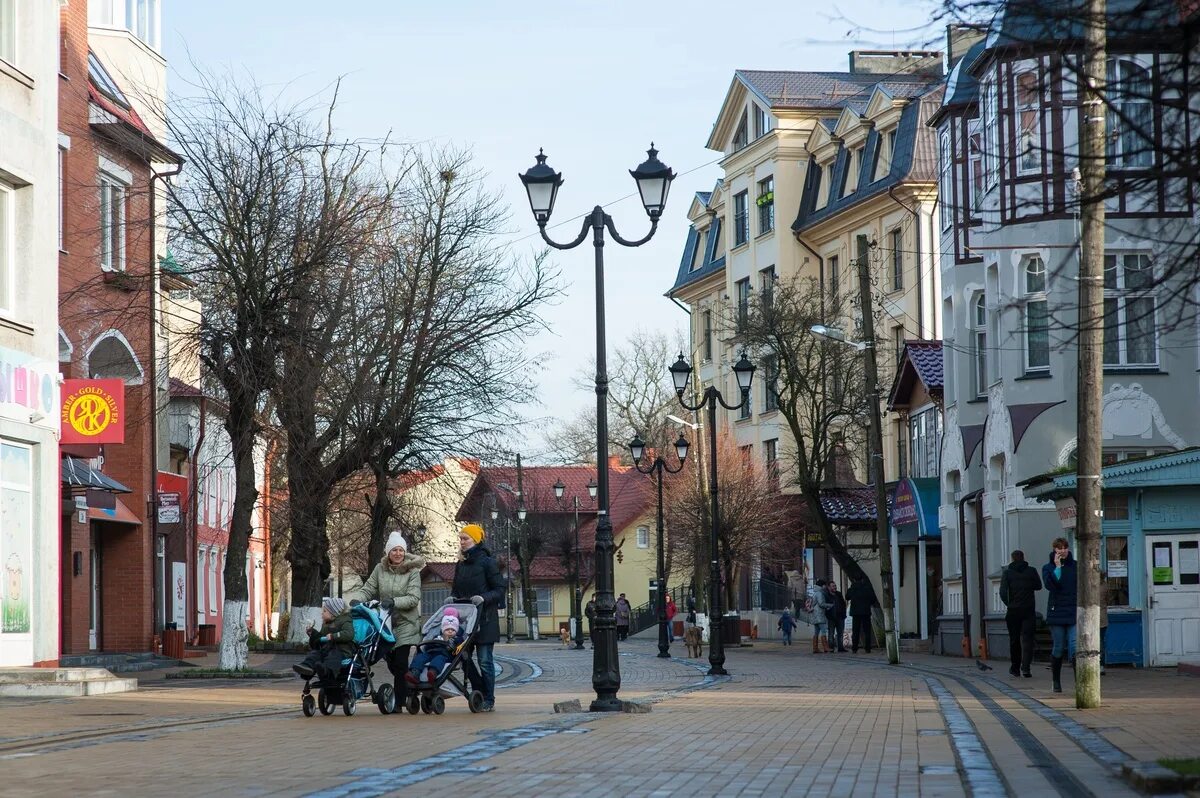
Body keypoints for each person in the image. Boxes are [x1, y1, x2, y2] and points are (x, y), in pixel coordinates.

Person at [354, 530, 425, 710]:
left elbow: (413, 598)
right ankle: (409, 688)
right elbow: (369, 588)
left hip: (406, 623)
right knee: (393, 664)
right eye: (394, 550)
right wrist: (357, 599)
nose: (398, 553)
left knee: (400, 662)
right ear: (388, 552)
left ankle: (398, 704)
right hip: (384, 623)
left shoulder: (413, 571)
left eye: (401, 550)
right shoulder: (380, 569)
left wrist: (394, 602)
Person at [451, 523, 505, 712]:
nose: (462, 542)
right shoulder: (461, 564)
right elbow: (456, 589)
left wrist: (483, 598)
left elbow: (499, 589)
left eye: (465, 539)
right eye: (461, 539)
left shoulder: (488, 562)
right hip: (466, 621)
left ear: (476, 540)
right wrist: (452, 598)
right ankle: (478, 690)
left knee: (484, 660)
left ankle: (489, 698)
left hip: (485, 620)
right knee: (461, 655)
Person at [1042, 537, 1077, 693]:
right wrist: (1057, 567)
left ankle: (1080, 681)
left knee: (1076, 647)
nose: (1062, 551)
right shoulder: (1048, 568)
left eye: (1064, 547)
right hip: (1056, 613)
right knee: (1058, 647)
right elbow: (1051, 586)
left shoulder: (1076, 566)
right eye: (1059, 548)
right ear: (1054, 550)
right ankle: (1056, 681)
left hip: (1073, 611)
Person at [999, 549, 1042, 678]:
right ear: (1023, 558)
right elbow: (1038, 586)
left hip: (1013, 611)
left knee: (1014, 639)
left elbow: (1002, 592)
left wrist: (1009, 603)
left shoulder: (1007, 573)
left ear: (1012, 559)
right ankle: (1026, 668)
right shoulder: (1031, 571)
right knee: (1028, 640)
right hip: (1028, 610)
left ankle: (1015, 667)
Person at [293, 597, 355, 681]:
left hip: (341, 650)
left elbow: (349, 634)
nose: (322, 613)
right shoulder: (326, 624)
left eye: (325, 611)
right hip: (327, 649)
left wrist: (334, 636)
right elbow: (321, 637)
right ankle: (306, 668)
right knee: (315, 654)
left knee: (333, 657)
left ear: (334, 613)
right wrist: (313, 634)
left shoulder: (345, 621)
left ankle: (326, 671)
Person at [405, 610, 465, 686]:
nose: (450, 631)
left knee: (439, 659)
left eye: (453, 630)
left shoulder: (457, 639)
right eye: (447, 629)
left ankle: (433, 672)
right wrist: (433, 643)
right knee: (420, 657)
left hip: (445, 655)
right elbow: (427, 647)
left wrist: (450, 643)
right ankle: (414, 672)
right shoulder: (437, 637)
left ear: (456, 631)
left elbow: (458, 649)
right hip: (431, 652)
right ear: (442, 630)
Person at [846, 575, 875, 654]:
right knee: (867, 631)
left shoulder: (852, 589)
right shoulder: (867, 588)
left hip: (855, 613)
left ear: (854, 580)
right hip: (866, 612)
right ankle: (868, 648)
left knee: (856, 631)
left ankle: (854, 648)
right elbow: (873, 599)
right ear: (862, 580)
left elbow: (847, 597)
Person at [809, 579, 831, 653]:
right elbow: (821, 603)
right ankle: (826, 647)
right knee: (823, 631)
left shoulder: (815, 593)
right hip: (820, 614)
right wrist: (830, 605)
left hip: (815, 615)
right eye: (824, 585)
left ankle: (815, 648)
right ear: (822, 585)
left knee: (816, 632)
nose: (825, 586)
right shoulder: (820, 593)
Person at [826, 581, 848, 653]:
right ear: (829, 587)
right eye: (833, 586)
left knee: (840, 633)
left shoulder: (839, 594)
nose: (834, 587)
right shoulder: (827, 595)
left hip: (840, 617)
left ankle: (840, 647)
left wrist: (844, 614)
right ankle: (831, 648)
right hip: (831, 617)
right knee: (831, 633)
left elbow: (843, 604)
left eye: (835, 586)